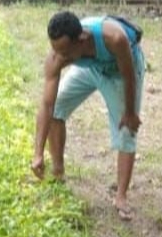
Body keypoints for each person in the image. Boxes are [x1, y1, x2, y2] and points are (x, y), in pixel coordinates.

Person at [31, 11, 145, 221]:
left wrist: (130, 112)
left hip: (120, 73)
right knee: (57, 109)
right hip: (90, 70)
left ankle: (121, 196)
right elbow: (47, 104)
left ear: (81, 39)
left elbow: (129, 75)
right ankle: (57, 172)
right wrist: (37, 153)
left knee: (126, 129)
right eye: (55, 50)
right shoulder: (58, 55)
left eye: (64, 52)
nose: (60, 57)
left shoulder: (114, 39)